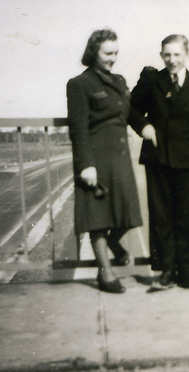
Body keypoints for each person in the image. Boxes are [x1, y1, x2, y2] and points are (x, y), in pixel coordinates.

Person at [130, 35, 189, 292]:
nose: (172, 60)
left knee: (188, 215)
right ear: (161, 56)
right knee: (161, 215)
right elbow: (131, 109)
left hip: (188, 157)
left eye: (177, 54)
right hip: (158, 156)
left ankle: (188, 273)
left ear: (187, 56)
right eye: (167, 54)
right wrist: (143, 125)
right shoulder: (151, 80)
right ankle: (166, 270)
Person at [67, 29, 143, 293]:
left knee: (127, 213)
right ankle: (105, 274)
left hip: (120, 157)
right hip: (96, 159)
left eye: (116, 53)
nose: (113, 58)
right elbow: (78, 129)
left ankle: (114, 244)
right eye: (107, 53)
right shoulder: (79, 83)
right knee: (98, 217)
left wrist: (146, 128)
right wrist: (86, 164)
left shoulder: (120, 81)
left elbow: (131, 114)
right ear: (93, 53)